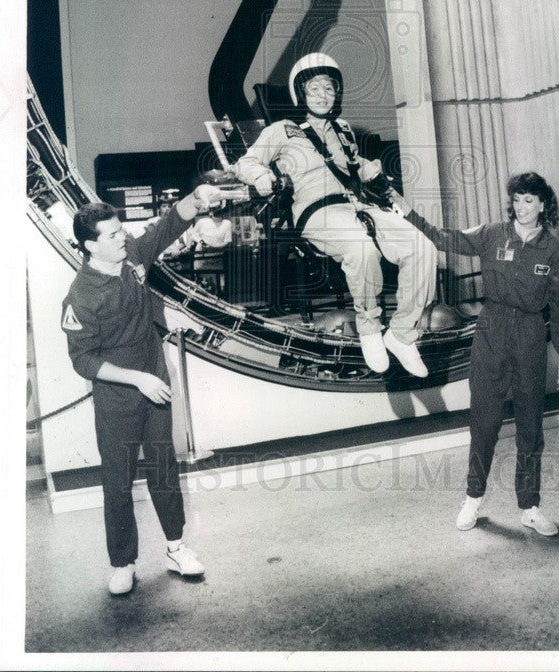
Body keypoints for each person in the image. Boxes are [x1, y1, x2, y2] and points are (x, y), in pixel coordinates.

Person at [234, 52, 438, 378]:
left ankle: (401, 334)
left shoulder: (344, 131)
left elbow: (353, 169)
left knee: (421, 246)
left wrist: (369, 173)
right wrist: (261, 177)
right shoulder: (281, 130)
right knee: (361, 247)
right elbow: (245, 163)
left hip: (357, 206)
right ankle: (370, 326)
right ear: (301, 94)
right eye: (314, 89)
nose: (322, 95)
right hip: (317, 212)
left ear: (337, 94)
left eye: (329, 89)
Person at [61, 182, 222, 595]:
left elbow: (167, 226)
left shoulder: (131, 255)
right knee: (118, 480)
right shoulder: (80, 296)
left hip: (156, 387)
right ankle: (122, 563)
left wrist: (199, 197)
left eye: (121, 230)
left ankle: (176, 547)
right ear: (89, 245)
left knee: (164, 468)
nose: (124, 237)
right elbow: (83, 360)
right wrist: (138, 379)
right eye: (113, 234)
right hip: (119, 398)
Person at [393, 172, 559, 535]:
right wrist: (406, 211)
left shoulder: (551, 247)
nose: (521, 207)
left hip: (531, 335)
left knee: (530, 425)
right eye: (517, 199)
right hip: (491, 330)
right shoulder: (492, 233)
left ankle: (530, 507)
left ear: (543, 205)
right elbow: (446, 239)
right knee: (484, 422)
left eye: (529, 200)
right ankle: (473, 499)